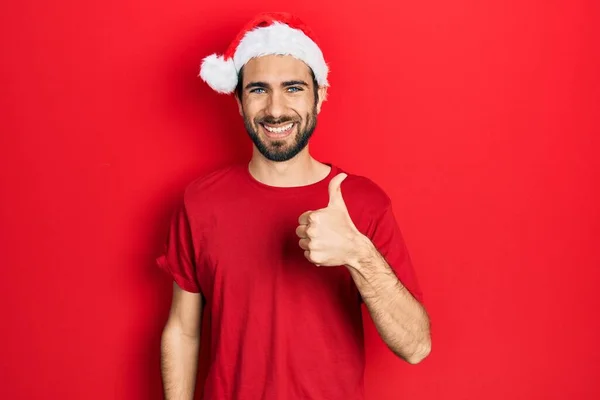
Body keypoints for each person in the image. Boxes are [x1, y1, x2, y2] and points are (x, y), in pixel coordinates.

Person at [156, 11, 431, 400]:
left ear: (319, 96)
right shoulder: (200, 201)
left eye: (293, 88)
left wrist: (358, 254)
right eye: (257, 90)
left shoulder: (364, 202)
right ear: (238, 100)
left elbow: (416, 346)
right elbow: (183, 329)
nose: (276, 109)